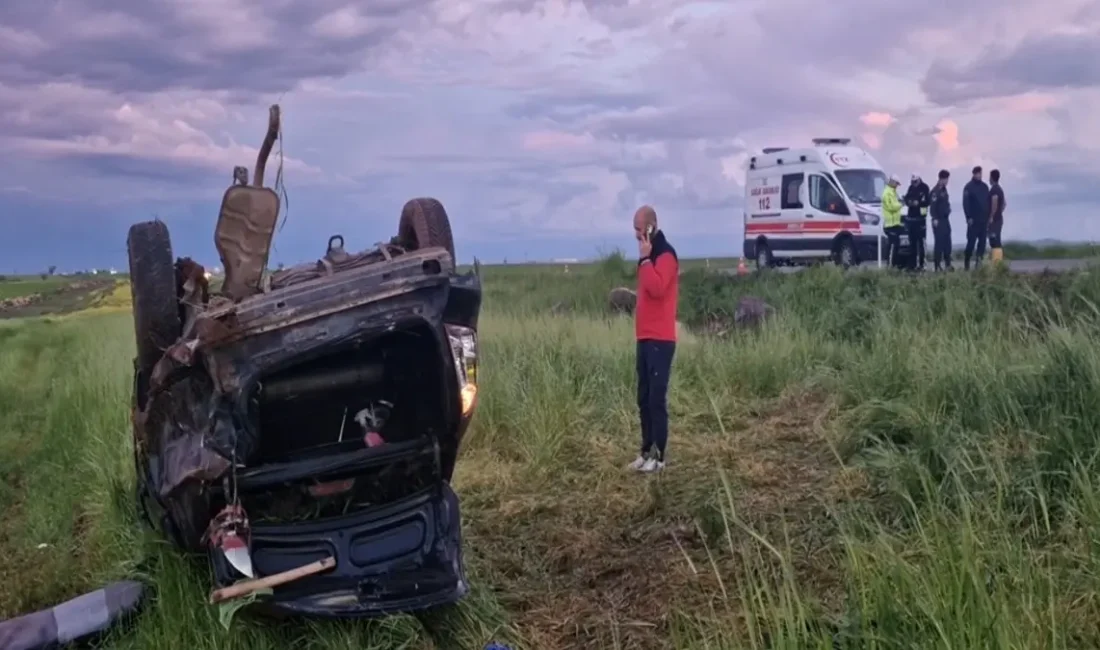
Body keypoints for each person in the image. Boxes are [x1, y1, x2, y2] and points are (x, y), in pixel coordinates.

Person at [628, 205, 679, 473]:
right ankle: (646, 450)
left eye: (639, 228)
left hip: (661, 339)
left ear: (650, 227)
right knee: (644, 397)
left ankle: (659, 457)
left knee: (656, 399)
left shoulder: (666, 255)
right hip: (645, 336)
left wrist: (647, 260)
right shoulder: (646, 255)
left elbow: (657, 288)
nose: (636, 234)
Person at [963, 165, 991, 269]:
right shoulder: (968, 187)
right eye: (977, 174)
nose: (979, 175)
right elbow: (965, 204)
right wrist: (968, 217)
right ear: (974, 174)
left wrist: (988, 218)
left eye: (980, 173)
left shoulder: (985, 187)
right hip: (973, 221)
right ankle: (967, 262)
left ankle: (979, 264)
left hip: (983, 220)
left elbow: (988, 203)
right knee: (971, 243)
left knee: (982, 244)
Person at [903, 174, 931, 270]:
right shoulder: (911, 188)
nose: (913, 183)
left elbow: (927, 201)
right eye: (912, 182)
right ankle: (912, 265)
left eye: (915, 181)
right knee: (912, 243)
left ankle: (922, 264)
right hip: (911, 219)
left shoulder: (925, 188)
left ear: (919, 180)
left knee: (921, 243)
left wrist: (918, 203)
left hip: (921, 220)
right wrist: (910, 202)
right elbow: (906, 198)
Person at [929, 169, 953, 271]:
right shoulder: (935, 191)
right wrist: (934, 218)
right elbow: (933, 207)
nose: (947, 181)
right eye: (946, 179)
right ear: (942, 179)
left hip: (945, 219)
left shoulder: (944, 190)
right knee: (939, 243)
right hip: (938, 220)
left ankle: (948, 264)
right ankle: (937, 265)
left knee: (948, 243)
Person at [881, 175, 904, 268]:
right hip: (889, 224)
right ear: (892, 182)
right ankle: (890, 265)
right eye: (896, 184)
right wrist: (901, 204)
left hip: (895, 224)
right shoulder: (886, 193)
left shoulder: (893, 192)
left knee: (896, 245)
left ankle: (894, 264)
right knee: (892, 246)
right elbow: (891, 207)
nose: (897, 186)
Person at [988, 169, 1006, 264]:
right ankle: (998, 261)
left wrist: (992, 216)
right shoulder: (1000, 189)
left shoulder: (994, 190)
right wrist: (1000, 212)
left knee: (994, 240)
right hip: (999, 219)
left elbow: (994, 203)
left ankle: (997, 262)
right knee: (996, 240)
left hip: (995, 220)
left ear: (992, 178)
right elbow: (1004, 204)